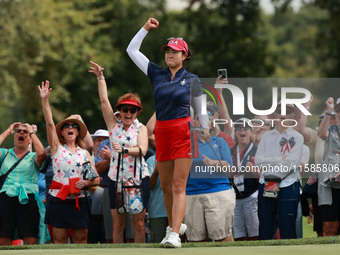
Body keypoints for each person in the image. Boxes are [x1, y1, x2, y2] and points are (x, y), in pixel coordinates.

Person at [126, 17, 209, 248]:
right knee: (164, 186)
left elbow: (200, 109)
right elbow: (132, 50)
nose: (170, 55)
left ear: (184, 56)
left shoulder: (192, 79)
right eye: (167, 51)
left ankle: (174, 234)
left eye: (175, 52)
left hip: (183, 131)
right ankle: (176, 225)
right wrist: (145, 28)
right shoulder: (156, 73)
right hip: (162, 132)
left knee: (178, 185)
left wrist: (204, 127)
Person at [89, 61, 150, 243]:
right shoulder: (113, 126)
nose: (128, 113)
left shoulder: (141, 128)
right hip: (116, 179)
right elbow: (103, 101)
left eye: (132, 110)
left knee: (138, 224)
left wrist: (123, 150)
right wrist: (100, 77)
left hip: (138, 178)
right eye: (125, 109)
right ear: (120, 111)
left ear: (137, 112)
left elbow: (142, 150)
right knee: (118, 225)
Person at [39, 80, 100, 244]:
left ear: (78, 131)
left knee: (81, 239)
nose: (71, 127)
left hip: (81, 200)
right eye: (67, 126)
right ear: (63, 132)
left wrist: (87, 182)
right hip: (58, 199)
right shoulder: (57, 148)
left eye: (74, 125)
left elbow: (97, 179)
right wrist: (45, 100)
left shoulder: (85, 153)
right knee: (59, 239)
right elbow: (50, 124)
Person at [255, 103, 303, 240]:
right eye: (279, 111)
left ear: (292, 116)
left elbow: (291, 164)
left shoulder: (298, 137)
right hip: (266, 183)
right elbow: (258, 161)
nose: (283, 114)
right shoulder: (266, 136)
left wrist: (269, 161)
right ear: (275, 115)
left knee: (287, 227)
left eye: (287, 111)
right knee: (265, 227)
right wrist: (280, 159)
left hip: (288, 183)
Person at [184, 114, 235, 242]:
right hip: (192, 193)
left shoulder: (219, 141)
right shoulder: (187, 143)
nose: (203, 121)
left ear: (212, 124)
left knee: (221, 237)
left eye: (207, 119)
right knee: (195, 240)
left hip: (218, 192)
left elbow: (229, 168)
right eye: (199, 118)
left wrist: (215, 163)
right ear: (194, 123)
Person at [0, 122, 47, 246]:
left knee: (30, 235)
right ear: (15, 137)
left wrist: (32, 132)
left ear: (29, 139)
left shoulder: (33, 157)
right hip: (6, 197)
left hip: (28, 197)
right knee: (3, 234)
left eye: (25, 132)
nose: (21, 133)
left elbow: (42, 154)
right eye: (18, 131)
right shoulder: (5, 154)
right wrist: (8, 131)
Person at [230, 118, 259, 241]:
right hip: (235, 198)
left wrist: (254, 170)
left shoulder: (257, 150)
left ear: (251, 131)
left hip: (252, 196)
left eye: (246, 128)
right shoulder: (231, 151)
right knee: (238, 235)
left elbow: (264, 175)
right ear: (235, 133)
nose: (242, 130)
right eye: (238, 128)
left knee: (254, 234)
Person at [317, 97, 340, 236]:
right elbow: (321, 134)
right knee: (329, 228)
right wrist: (328, 111)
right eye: (338, 109)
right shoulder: (330, 128)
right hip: (329, 186)